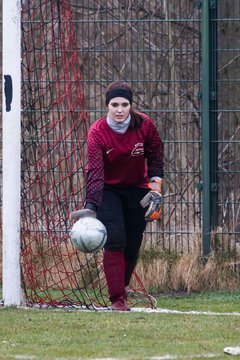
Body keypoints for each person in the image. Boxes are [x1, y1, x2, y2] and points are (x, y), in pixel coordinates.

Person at [71, 81, 164, 311]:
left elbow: (155, 157)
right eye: (114, 104)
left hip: (138, 188)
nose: (120, 109)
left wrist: (156, 189)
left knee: (133, 244)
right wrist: (92, 205)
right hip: (108, 189)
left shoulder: (144, 125)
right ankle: (117, 299)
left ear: (131, 106)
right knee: (115, 238)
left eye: (125, 104)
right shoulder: (97, 131)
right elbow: (95, 171)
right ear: (107, 106)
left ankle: (121, 288)